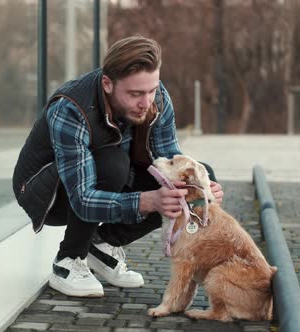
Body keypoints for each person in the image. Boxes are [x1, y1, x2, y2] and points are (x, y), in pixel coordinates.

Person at [13, 36, 224, 297]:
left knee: (194, 179)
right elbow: (82, 199)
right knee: (112, 164)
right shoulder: (71, 107)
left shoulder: (156, 99)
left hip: (114, 175)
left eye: (151, 90)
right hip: (48, 195)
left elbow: (171, 160)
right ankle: (68, 260)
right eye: (135, 94)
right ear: (107, 84)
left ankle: (101, 245)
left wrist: (200, 194)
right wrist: (148, 201)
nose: (146, 102)